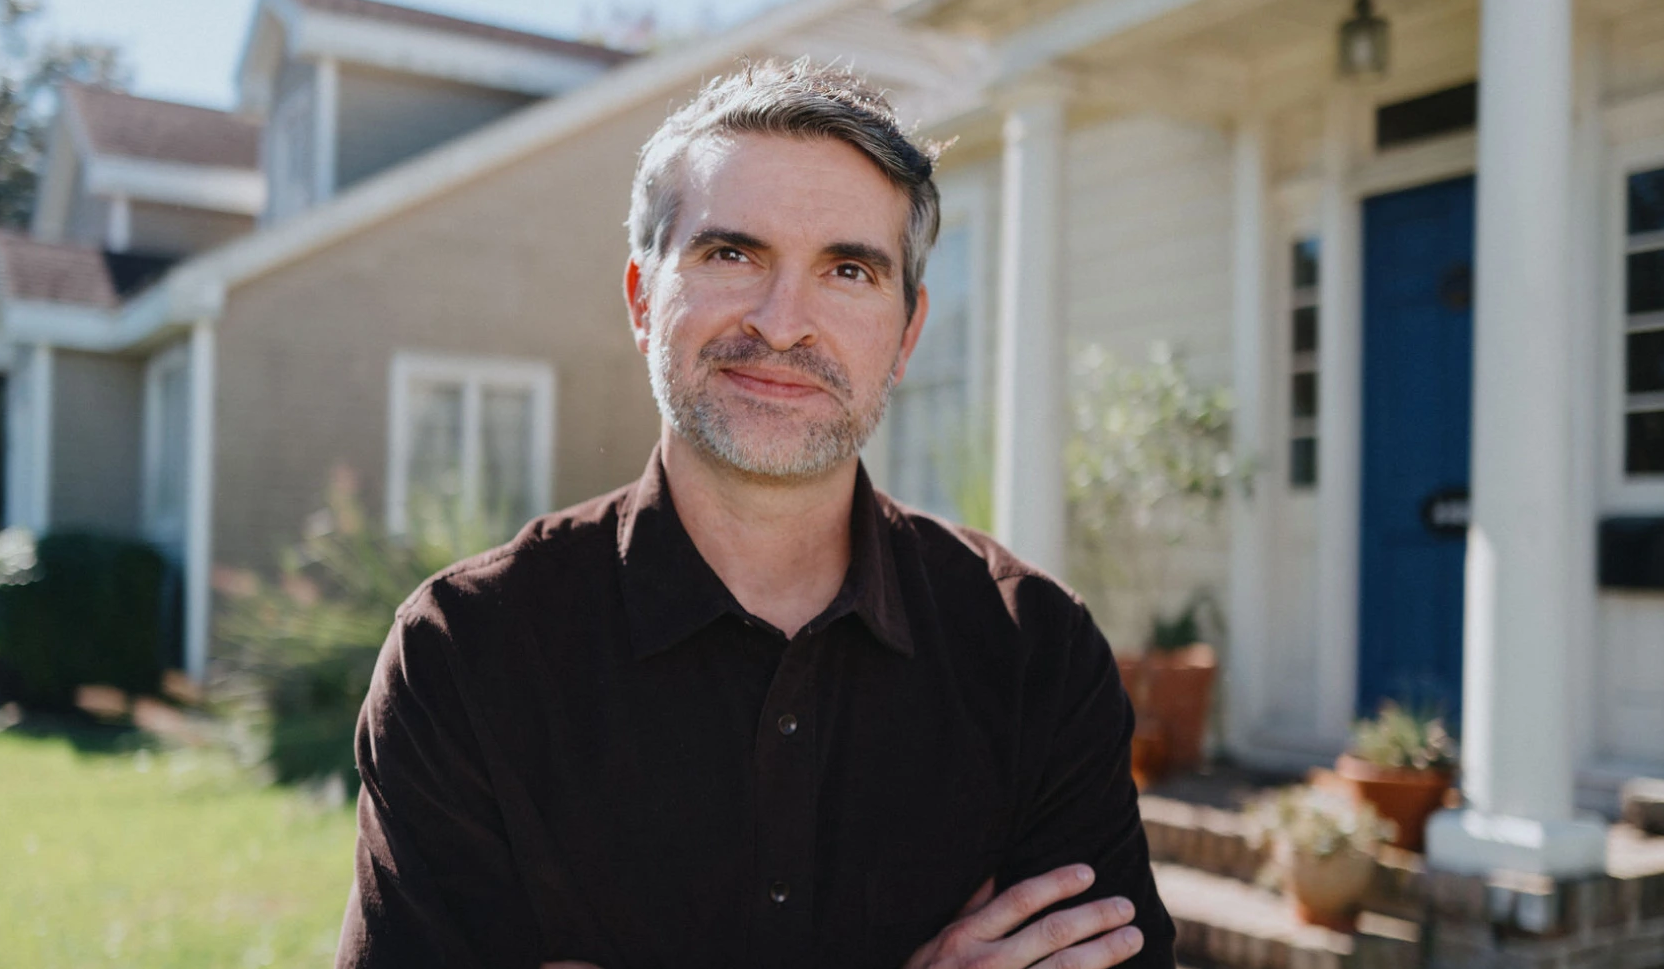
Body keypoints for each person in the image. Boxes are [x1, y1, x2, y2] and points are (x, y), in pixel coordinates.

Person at [336, 59, 1176, 969]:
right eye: (731, 254)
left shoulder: (1033, 653)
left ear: (905, 334)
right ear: (641, 299)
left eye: (847, 269)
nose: (782, 323)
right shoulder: (465, 653)